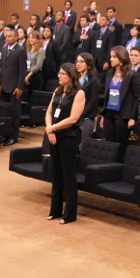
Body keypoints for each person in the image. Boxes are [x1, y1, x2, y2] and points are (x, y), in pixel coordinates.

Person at [46, 64, 86, 225]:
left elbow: (73, 119)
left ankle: (69, 214)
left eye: (63, 74)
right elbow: (49, 112)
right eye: (59, 73)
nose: (59, 76)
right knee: (56, 173)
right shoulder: (57, 91)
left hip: (69, 137)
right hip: (54, 136)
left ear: (71, 76)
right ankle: (55, 211)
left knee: (68, 174)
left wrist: (53, 128)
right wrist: (50, 131)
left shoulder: (79, 93)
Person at [99, 47, 137, 145]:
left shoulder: (131, 75)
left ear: (122, 58)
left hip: (122, 115)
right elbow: (106, 95)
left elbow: (136, 97)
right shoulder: (109, 73)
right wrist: (103, 115)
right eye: (111, 56)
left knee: (120, 144)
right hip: (109, 113)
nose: (111, 59)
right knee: (109, 143)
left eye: (114, 57)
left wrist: (132, 118)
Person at [0, 27, 27, 145]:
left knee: (15, 112)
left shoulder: (20, 50)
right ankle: (5, 134)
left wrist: (20, 87)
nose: (7, 38)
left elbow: (22, 70)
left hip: (14, 87)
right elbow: (2, 68)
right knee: (6, 112)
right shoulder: (4, 49)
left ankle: (13, 136)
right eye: (6, 36)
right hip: (4, 85)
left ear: (16, 37)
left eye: (10, 36)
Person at [75, 52, 100, 142]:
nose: (78, 64)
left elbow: (92, 101)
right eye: (77, 61)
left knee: (82, 147)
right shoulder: (75, 79)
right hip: (72, 118)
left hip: (85, 118)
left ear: (89, 64)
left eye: (82, 61)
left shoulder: (94, 80)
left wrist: (80, 115)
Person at [41, 25, 62, 93]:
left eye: (48, 31)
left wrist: (56, 67)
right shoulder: (41, 42)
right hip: (41, 66)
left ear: (51, 33)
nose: (45, 33)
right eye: (44, 31)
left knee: (48, 84)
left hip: (50, 67)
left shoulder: (54, 43)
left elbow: (57, 56)